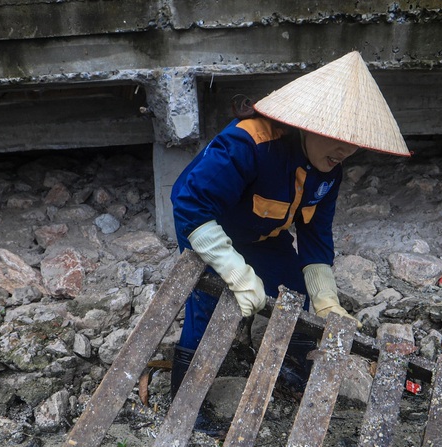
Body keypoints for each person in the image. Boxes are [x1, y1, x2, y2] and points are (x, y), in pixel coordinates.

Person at [170, 51, 410, 396]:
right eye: (339, 138)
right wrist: (234, 270)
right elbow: (191, 204)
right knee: (209, 299)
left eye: (354, 144)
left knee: (293, 292)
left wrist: (326, 299)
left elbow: (315, 233)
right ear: (310, 124)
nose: (345, 150)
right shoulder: (249, 142)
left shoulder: (329, 170)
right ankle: (186, 395)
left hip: (264, 232)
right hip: (205, 223)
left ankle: (293, 364)